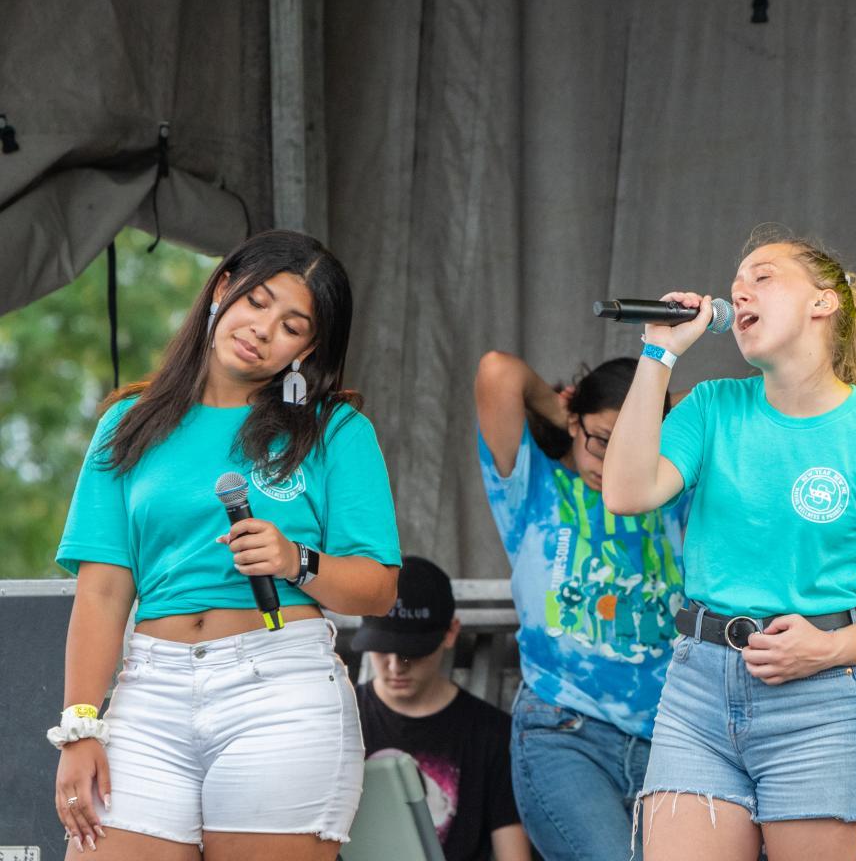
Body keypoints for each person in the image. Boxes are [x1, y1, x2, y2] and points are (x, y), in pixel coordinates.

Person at [603, 228, 856, 861]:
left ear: (823, 302)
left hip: (820, 700)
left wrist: (831, 648)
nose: (739, 292)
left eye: (762, 277)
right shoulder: (712, 406)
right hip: (698, 690)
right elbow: (626, 492)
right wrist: (658, 353)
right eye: (735, 285)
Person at [50, 229, 402, 861]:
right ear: (221, 289)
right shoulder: (127, 422)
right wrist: (80, 725)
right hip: (150, 689)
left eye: (292, 325)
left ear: (307, 348)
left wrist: (297, 561)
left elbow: (377, 590)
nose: (263, 329)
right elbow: (101, 595)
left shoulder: (335, 429)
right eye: (257, 301)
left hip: (281, 688)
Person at [474, 352, 689, 860]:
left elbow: (734, 398)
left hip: (671, 740)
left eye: (631, 443)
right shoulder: (533, 489)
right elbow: (497, 371)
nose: (612, 460)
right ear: (575, 424)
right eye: (601, 440)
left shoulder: (673, 495)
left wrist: (649, 408)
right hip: (563, 729)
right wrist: (563, 407)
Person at [352, 555, 530, 861]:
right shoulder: (339, 720)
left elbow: (513, 853)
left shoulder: (492, 735)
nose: (395, 666)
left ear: (450, 633)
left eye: (412, 652)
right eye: (381, 650)